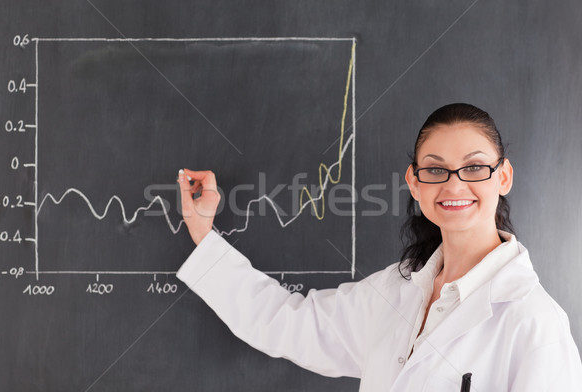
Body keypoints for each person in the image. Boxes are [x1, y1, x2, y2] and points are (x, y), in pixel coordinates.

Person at [175, 103, 582, 391]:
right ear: (415, 182)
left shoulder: (535, 324)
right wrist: (202, 235)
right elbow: (285, 324)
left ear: (503, 176)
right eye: (436, 169)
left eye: (475, 167)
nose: (454, 185)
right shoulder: (395, 292)